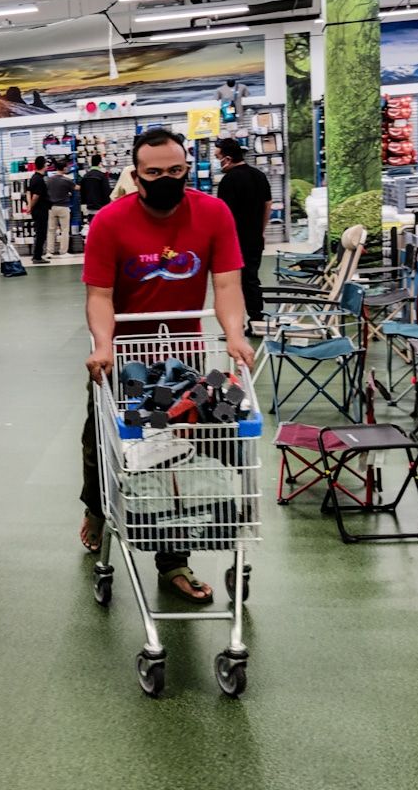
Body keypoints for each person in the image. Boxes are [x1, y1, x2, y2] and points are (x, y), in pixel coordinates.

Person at [79, 129, 255, 604]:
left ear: (187, 169)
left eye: (175, 171)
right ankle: (96, 508)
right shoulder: (110, 222)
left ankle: (174, 560)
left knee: (177, 452)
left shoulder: (213, 213)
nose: (166, 179)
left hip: (184, 356)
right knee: (103, 444)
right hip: (123, 356)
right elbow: (99, 295)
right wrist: (104, 345)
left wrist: (235, 335)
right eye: (154, 172)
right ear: (136, 176)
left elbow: (227, 285)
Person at [214, 138, 273, 332]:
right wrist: (260, 230)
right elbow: (268, 204)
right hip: (254, 238)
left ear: (228, 158)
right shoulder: (259, 175)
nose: (217, 161)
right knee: (252, 279)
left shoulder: (228, 181)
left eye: (218, 157)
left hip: (234, 241)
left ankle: (234, 327)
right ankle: (257, 320)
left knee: (232, 285)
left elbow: (224, 215)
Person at [45, 161, 77, 257]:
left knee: (51, 230)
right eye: (66, 167)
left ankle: (49, 251)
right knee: (64, 230)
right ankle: (63, 252)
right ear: (64, 168)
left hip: (51, 207)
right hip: (63, 207)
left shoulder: (49, 180)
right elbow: (76, 188)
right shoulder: (67, 180)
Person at [26, 156, 51, 264]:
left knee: (39, 232)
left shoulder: (33, 177)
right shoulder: (40, 180)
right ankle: (37, 257)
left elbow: (28, 192)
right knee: (41, 233)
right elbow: (36, 196)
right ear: (44, 165)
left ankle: (36, 255)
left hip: (37, 210)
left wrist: (29, 206)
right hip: (41, 210)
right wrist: (31, 206)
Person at [80, 154, 111, 223]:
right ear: (100, 163)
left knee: (92, 226)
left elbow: (82, 193)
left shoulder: (85, 176)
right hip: (100, 208)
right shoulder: (102, 176)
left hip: (89, 208)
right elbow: (106, 192)